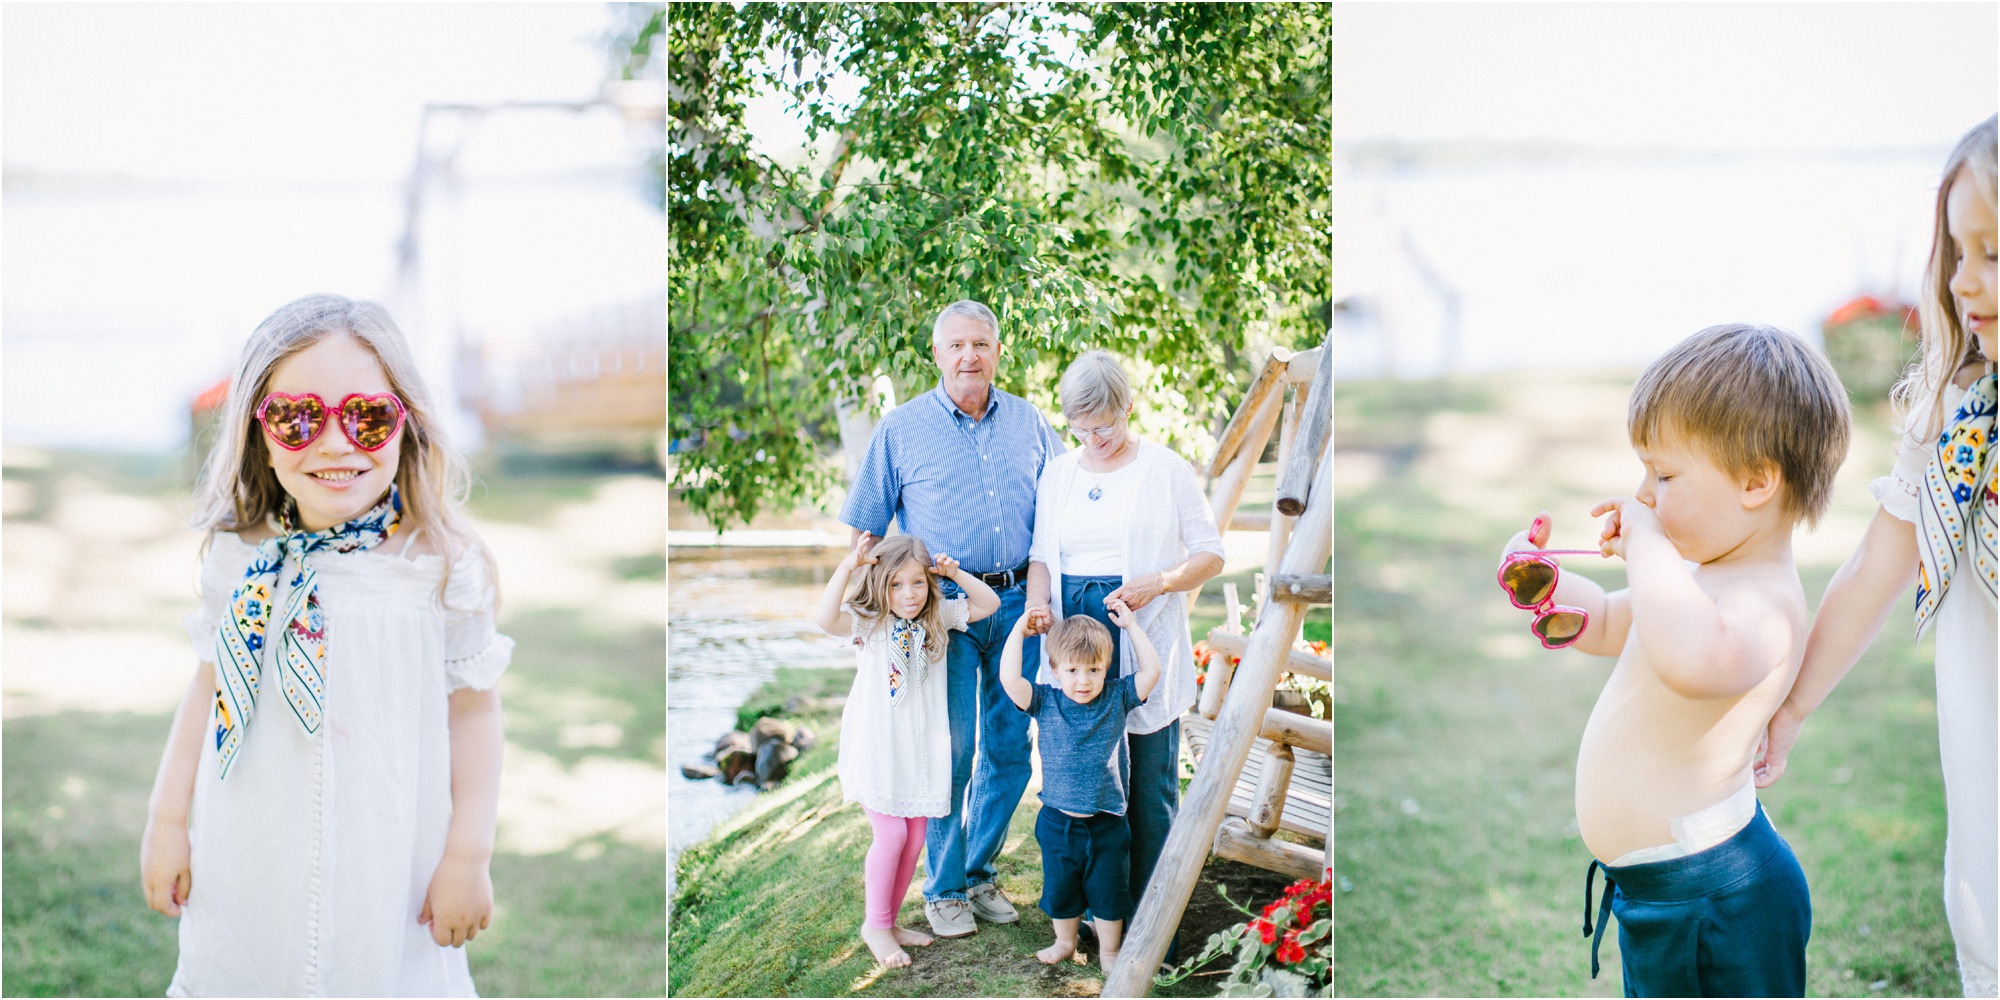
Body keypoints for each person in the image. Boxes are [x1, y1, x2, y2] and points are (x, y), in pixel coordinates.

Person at [139, 295, 511, 997]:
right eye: (298, 417)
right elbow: (206, 687)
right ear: (260, 430)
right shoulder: (240, 557)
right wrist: (165, 821)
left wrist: (469, 851)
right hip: (253, 840)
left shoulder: (439, 568)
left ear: (406, 423)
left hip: (389, 854)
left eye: (367, 417)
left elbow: (476, 714)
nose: (336, 444)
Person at [1499, 324, 1851, 996]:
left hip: (1719, 899)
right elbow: (1605, 621)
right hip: (1664, 893)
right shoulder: (1697, 584)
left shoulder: (1765, 603)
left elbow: (1693, 659)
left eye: (1663, 474)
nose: (1645, 495)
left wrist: (1650, 548)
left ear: (1756, 482)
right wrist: (1541, 583)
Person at [1757, 115, 1998, 998]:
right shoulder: (1951, 412)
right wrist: (1791, 708)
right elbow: (1871, 573)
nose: (1966, 282)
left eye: (1994, 253)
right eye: (1956, 252)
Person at [841, 300, 1066, 938]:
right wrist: (874, 620)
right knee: (951, 752)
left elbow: (1058, 512)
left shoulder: (1029, 421)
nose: (970, 355)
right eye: (956, 345)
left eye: (981, 344)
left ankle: (978, 871)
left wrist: (1052, 593)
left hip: (1020, 605)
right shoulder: (901, 428)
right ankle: (942, 891)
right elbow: (866, 533)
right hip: (942, 614)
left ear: (998, 350)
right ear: (936, 355)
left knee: (1010, 751)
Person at [1021, 349, 1224, 950]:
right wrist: (1040, 610)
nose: (1092, 438)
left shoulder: (1165, 469)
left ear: (1128, 408)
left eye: (1103, 425)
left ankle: (1151, 921)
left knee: (1146, 784)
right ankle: (1090, 913)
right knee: (1079, 779)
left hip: (1138, 628)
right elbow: (1040, 558)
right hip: (1073, 641)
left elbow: (1210, 555)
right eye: (1080, 428)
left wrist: (1157, 582)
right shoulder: (1059, 473)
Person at [814, 532, 1000, 967]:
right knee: (892, 834)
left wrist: (956, 574)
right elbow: (826, 619)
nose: (909, 594)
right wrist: (848, 566)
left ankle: (889, 920)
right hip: (878, 746)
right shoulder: (871, 621)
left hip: (919, 751)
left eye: (918, 583)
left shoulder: (940, 616)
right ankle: (874, 926)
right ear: (881, 585)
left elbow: (988, 604)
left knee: (915, 836)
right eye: (897, 584)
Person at [999, 599, 1161, 970]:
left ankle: (1109, 952)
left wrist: (1132, 627)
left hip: (1107, 822)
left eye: (1094, 669)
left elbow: (1152, 671)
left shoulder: (1117, 697)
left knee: (1108, 893)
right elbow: (1010, 679)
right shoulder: (1045, 700)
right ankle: (1065, 942)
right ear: (1055, 671)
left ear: (1106, 668)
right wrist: (1018, 631)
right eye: (1072, 670)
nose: (1083, 680)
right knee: (1061, 889)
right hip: (1058, 821)